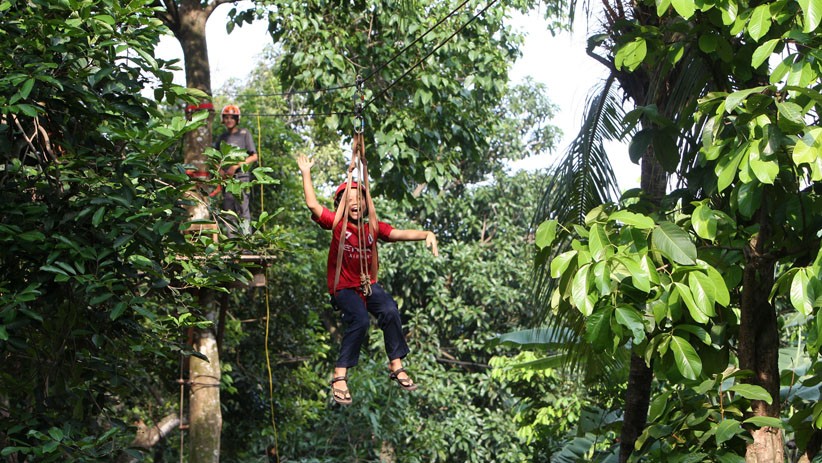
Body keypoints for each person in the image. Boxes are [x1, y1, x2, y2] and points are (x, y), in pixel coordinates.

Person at [297, 154, 438, 405]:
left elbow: (397, 233)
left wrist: (426, 233)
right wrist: (306, 173)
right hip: (343, 289)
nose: (354, 203)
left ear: (366, 203)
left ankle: (396, 364)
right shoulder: (338, 224)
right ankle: (340, 376)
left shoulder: (372, 227)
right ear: (341, 204)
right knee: (360, 320)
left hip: (366, 285)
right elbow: (312, 205)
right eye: (348, 200)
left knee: (389, 309)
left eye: (359, 199)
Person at [214, 104, 258, 236]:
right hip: (228, 180)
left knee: (243, 210)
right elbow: (216, 159)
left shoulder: (244, 134)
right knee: (229, 212)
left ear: (237, 119)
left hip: (241, 178)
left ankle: (246, 243)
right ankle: (231, 244)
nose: (229, 120)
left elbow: (254, 156)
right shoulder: (222, 138)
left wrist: (235, 166)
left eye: (232, 118)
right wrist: (220, 171)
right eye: (226, 118)